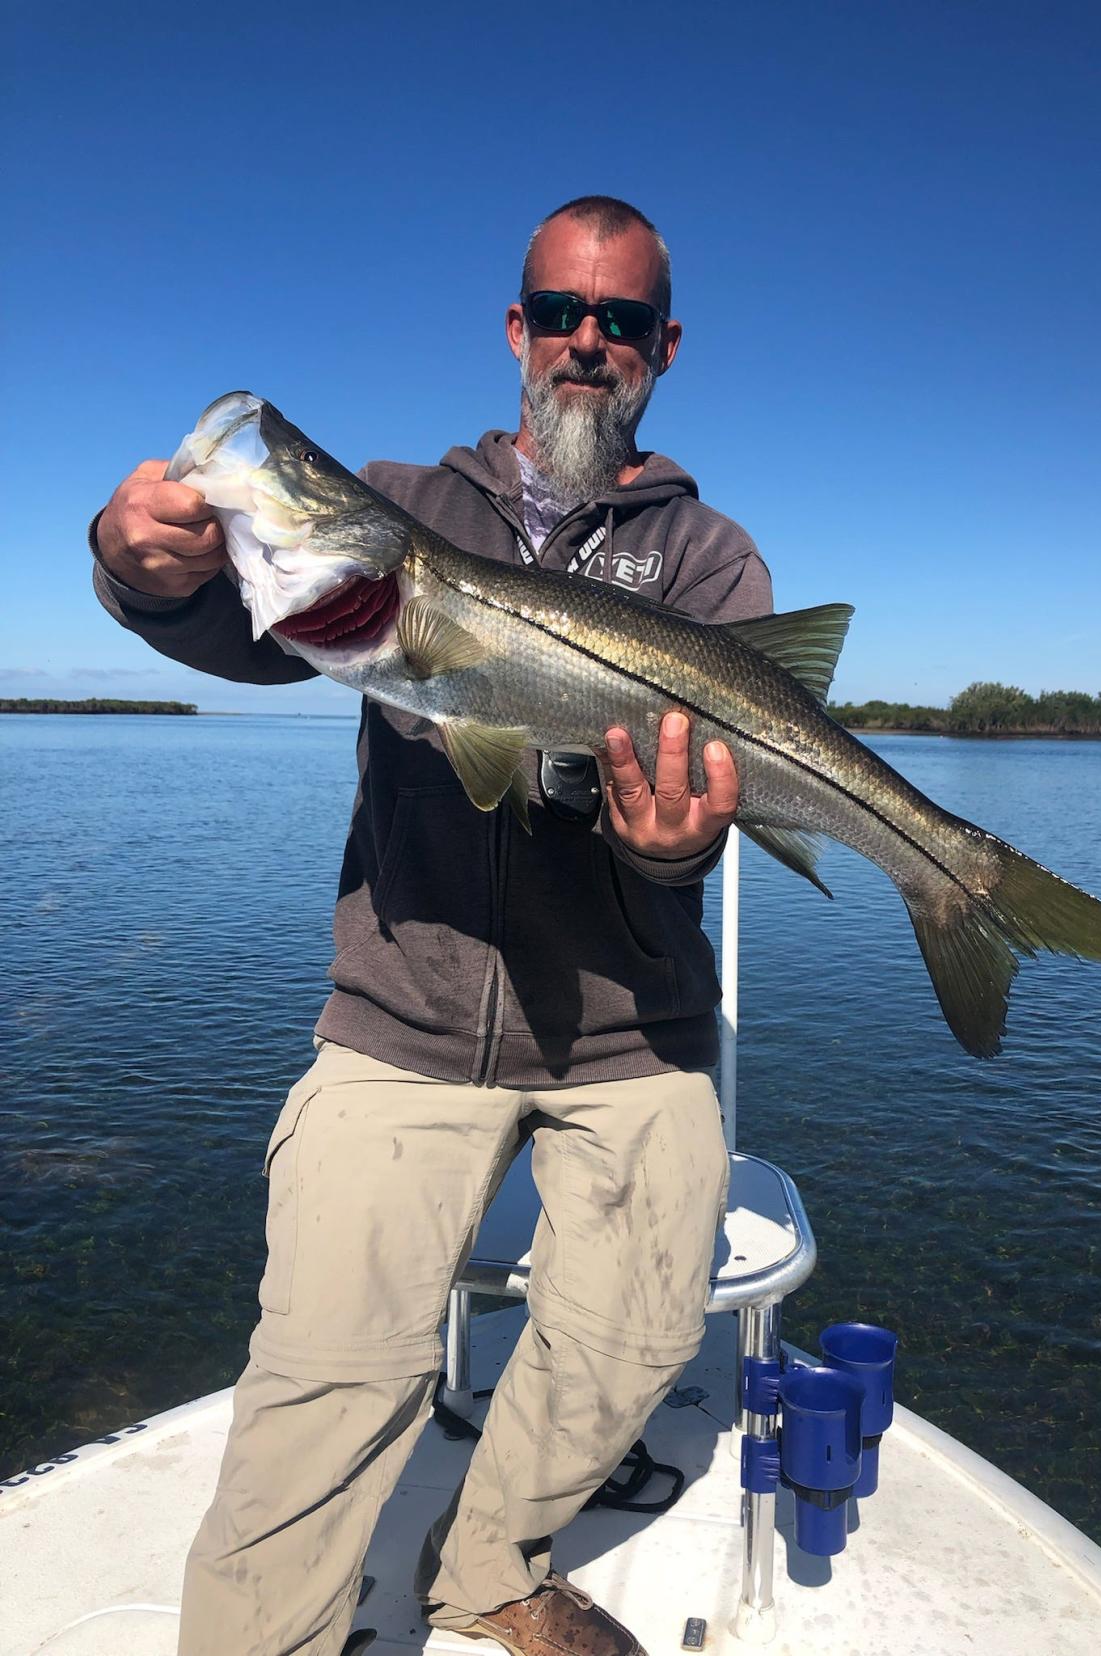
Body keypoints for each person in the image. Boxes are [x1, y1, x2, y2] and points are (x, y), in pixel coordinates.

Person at [92, 195, 772, 1656]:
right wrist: (136, 566)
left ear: (663, 348)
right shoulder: (405, 506)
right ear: (515, 329)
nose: (588, 344)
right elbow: (238, 618)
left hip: (626, 1032)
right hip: (401, 1020)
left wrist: (677, 851)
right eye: (561, 313)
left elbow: (683, 833)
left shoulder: (711, 560)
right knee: (324, 1385)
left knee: (636, 1342)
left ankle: (491, 1568)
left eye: (624, 322)